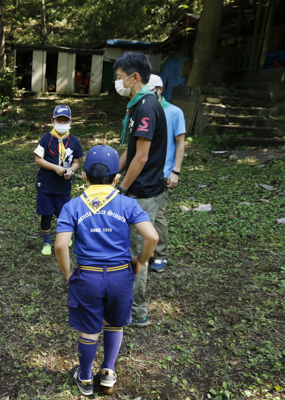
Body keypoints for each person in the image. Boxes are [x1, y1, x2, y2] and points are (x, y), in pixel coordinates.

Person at [55, 145, 158, 396]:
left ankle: (87, 378)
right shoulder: (126, 204)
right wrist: (140, 262)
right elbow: (152, 237)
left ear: (84, 176)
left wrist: (69, 273)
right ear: (116, 178)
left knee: (89, 329)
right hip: (120, 276)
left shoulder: (73, 206)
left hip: (87, 276)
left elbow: (60, 245)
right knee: (114, 324)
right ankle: (109, 372)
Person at [114, 52, 167, 328]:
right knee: (130, 248)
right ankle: (129, 302)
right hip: (136, 188)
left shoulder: (146, 107)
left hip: (143, 192)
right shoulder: (138, 105)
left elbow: (142, 157)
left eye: (120, 77)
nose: (117, 82)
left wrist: (121, 188)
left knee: (139, 251)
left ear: (135, 77)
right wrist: (112, 173)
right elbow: (131, 150)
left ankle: (137, 311)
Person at [147, 74, 186, 273]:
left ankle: (161, 254)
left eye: (152, 90)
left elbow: (180, 143)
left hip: (163, 173)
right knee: (144, 214)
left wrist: (175, 171)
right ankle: (148, 252)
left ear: (160, 89)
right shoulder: (144, 109)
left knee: (158, 215)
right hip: (145, 172)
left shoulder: (174, 112)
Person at [34, 105, 83, 256]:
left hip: (63, 186)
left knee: (64, 214)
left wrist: (72, 170)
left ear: (70, 121)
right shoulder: (46, 139)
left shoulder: (73, 141)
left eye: (65, 120)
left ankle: (65, 237)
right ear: (52, 121)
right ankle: (47, 243)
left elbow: (76, 161)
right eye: (59, 120)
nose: (62, 124)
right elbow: (38, 159)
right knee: (46, 214)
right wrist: (55, 168)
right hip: (46, 186)